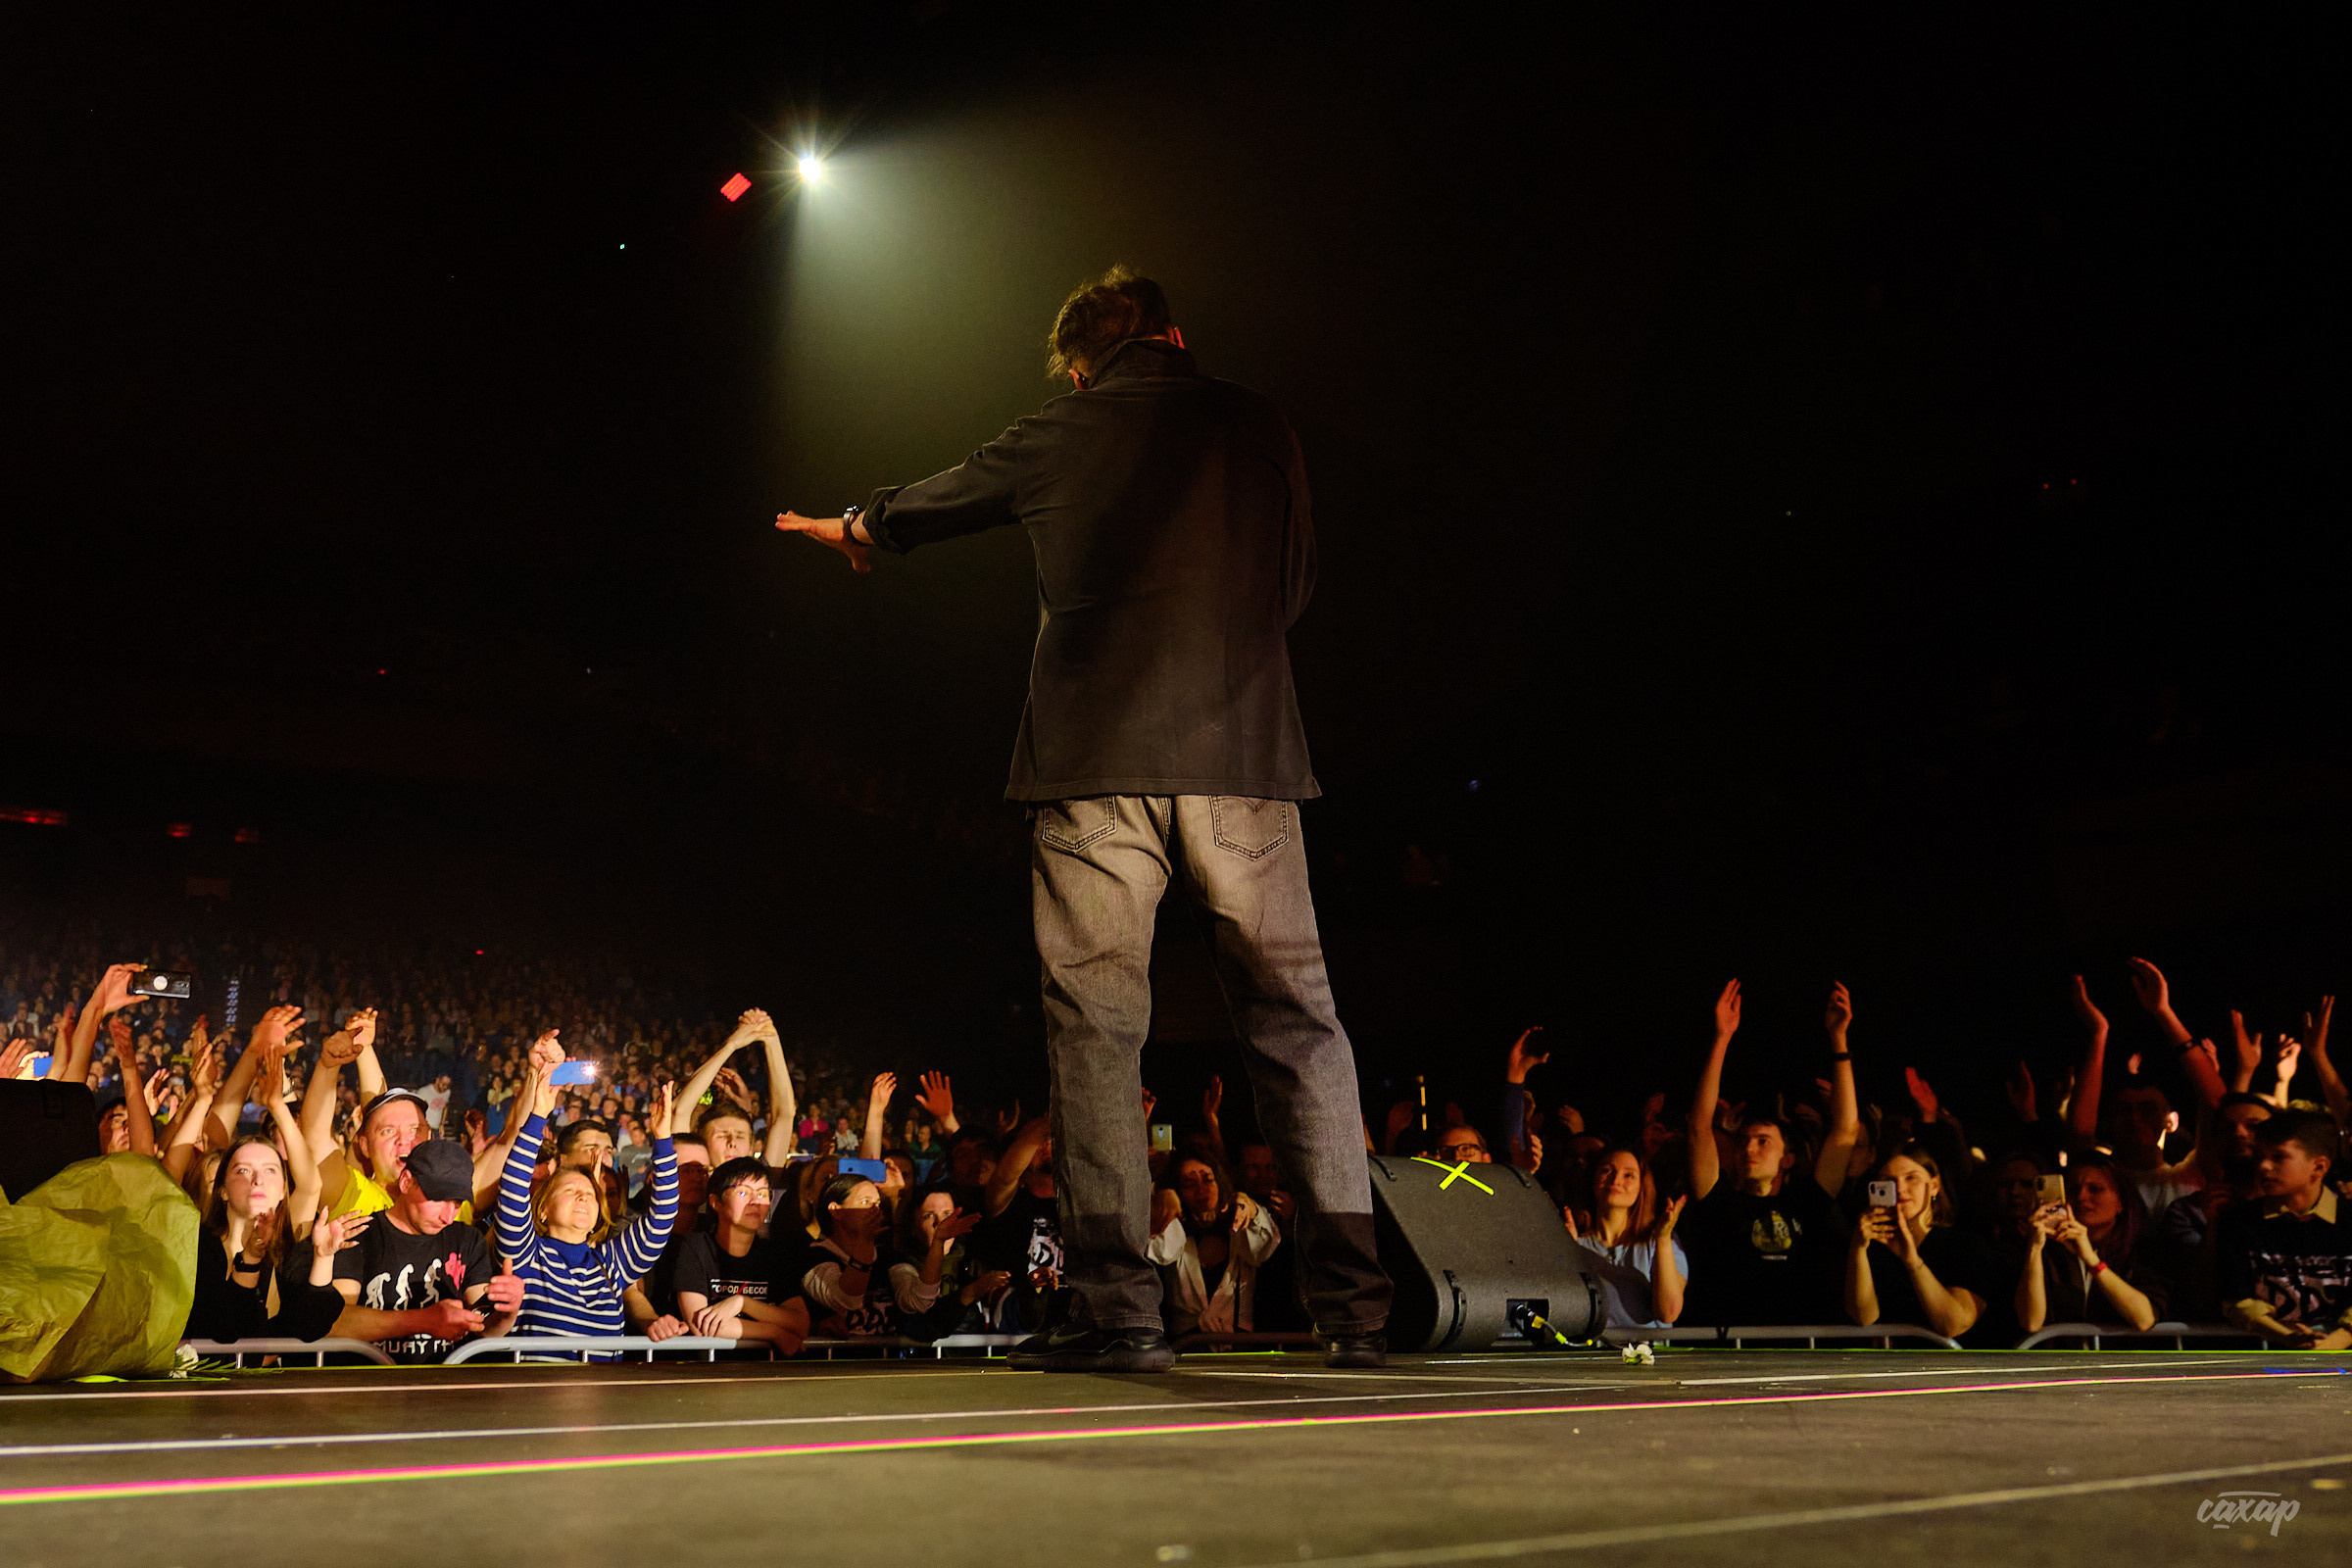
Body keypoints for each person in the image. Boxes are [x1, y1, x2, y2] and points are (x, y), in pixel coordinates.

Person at [775, 268, 1391, 1372]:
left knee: (1100, 1039)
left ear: (1077, 364)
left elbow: (945, 494)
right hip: (1245, 761)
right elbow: (1294, 587)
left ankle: (1124, 1320)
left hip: (1093, 770)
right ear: (1174, 336)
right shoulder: (1258, 423)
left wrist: (863, 523)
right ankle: (1355, 1311)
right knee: (1298, 1026)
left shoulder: (1059, 427)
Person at [1682, 980, 1860, 1325]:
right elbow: (1698, 1129)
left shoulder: (1807, 1202)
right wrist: (1721, 1039)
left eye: (1763, 1141)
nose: (1749, 1147)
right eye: (1744, 1141)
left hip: (1799, 1352)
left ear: (1787, 1158)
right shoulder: (1720, 1203)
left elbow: (1845, 1131)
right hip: (1732, 1354)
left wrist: (1839, 1039)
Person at [495, 1083, 679, 1340]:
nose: (582, 1196)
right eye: (569, 1190)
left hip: (603, 1380)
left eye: (591, 1195)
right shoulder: (527, 1256)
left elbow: (663, 1216)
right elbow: (513, 1187)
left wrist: (663, 1140)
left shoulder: (613, 1263)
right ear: (543, 1209)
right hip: (543, 1379)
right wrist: (537, 1116)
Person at [326, 1141, 524, 1362]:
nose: (448, 1217)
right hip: (371, 1388)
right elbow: (336, 1320)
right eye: (439, 1200)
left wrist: (506, 1313)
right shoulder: (361, 1234)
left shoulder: (466, 1239)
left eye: (457, 1204)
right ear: (406, 1182)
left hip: (443, 1388)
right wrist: (422, 1320)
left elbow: (483, 1328)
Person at [182, 1135, 346, 1343]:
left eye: (270, 1170)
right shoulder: (195, 1246)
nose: (258, 1180)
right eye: (243, 1170)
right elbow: (224, 1329)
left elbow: (311, 1327)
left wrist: (323, 1258)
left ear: (282, 1192)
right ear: (222, 1190)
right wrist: (250, 1258)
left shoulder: (287, 1251)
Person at [2217, 1111, 2352, 1348]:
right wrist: (2288, 1337)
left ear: (2319, 1166)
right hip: (2268, 1353)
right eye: (2260, 1156)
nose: (2264, 1166)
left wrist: (2336, 1342)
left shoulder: (2348, 1220)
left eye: (2279, 1157)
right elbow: (2236, 1299)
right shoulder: (2239, 1221)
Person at [1842, 1145, 1995, 1341]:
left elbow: (1953, 1323)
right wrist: (1858, 1249)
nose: (1900, 1189)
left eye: (1911, 1177)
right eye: (1889, 1181)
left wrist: (1913, 1262)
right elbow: (1863, 1317)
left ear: (1934, 1185)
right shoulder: (1874, 1247)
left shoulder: (1965, 1245)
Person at [670, 1156, 810, 1350]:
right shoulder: (695, 1247)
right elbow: (700, 1323)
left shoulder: (775, 1254)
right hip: (707, 1372)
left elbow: (800, 1323)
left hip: (763, 1372)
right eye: (743, 1193)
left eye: (763, 1194)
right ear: (715, 1202)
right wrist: (774, 1332)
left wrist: (742, 1303)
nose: (756, 1202)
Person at [2016, 1153, 2164, 1334]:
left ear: (2120, 1202)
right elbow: (2031, 1322)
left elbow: (2144, 1318)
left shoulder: (2141, 1250)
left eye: (2095, 1189)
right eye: (2074, 1189)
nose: (2081, 1196)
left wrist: (2091, 1259)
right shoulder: (2048, 1251)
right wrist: (2035, 1248)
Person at [1146, 1156, 1282, 1338]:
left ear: (1219, 1182)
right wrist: (1163, 1198)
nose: (1201, 1189)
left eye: (1208, 1179)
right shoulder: (1176, 1233)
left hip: (1239, 1346)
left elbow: (1264, 1243)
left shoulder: (1241, 1231)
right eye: (1189, 1184)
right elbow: (1159, 1250)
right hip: (1188, 1346)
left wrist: (1252, 1207)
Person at [1566, 1146, 1688, 1330]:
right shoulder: (1573, 1238)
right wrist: (1567, 1253)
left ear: (1642, 1186)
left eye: (1628, 1175)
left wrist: (1663, 1239)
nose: (1615, 1180)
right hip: (1590, 1354)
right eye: (1607, 1170)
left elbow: (1668, 1312)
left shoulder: (1658, 1242)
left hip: (1644, 1355)